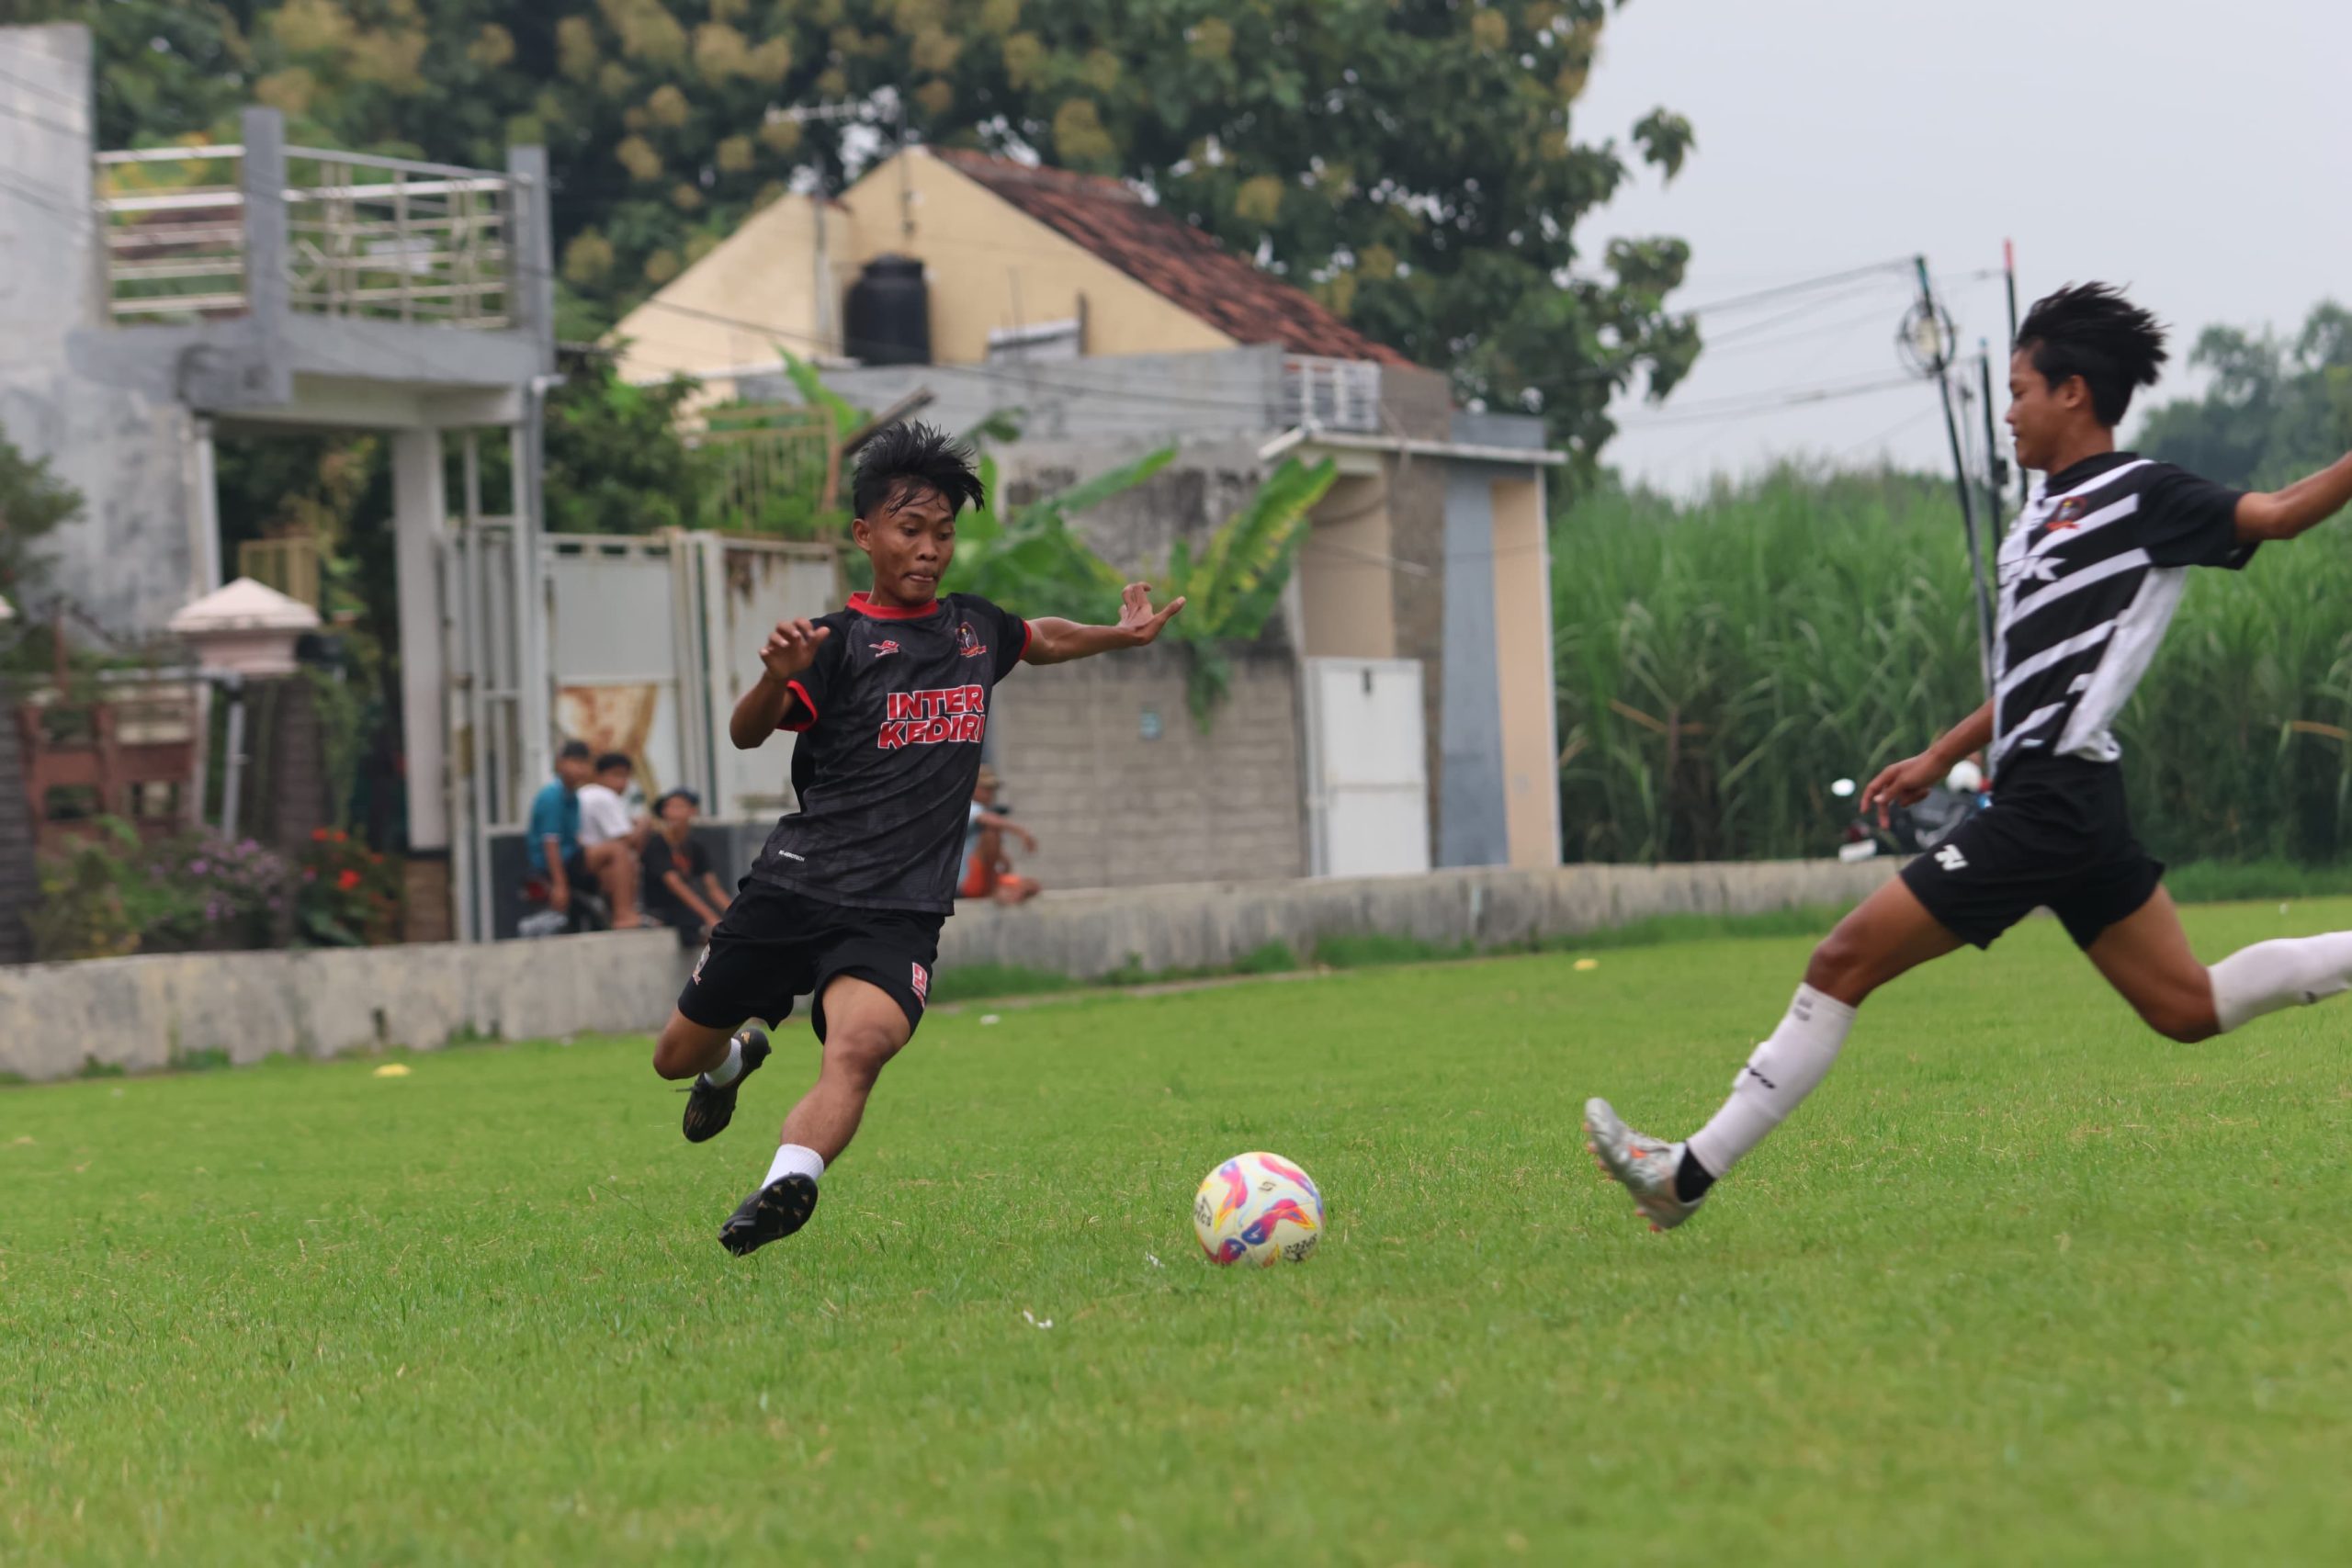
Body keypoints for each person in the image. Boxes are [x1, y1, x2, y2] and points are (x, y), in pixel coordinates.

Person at [1588, 282, 2352, 1233]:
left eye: (2021, 389)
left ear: (2073, 393)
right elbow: (2026, 678)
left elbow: (2276, 514)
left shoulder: (2143, 494)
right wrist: (1936, 753)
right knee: (2186, 1006)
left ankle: (1683, 1177)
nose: (2008, 410)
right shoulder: (2036, 518)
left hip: (2055, 801)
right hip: (2065, 798)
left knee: (1841, 960)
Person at [646, 423, 1185, 1257]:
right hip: (793, 888)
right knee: (674, 1058)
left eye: (942, 533)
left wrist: (1122, 635)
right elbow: (748, 733)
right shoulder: (837, 644)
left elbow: (1038, 637)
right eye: (910, 530)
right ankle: (730, 1063)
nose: (929, 549)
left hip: (896, 913)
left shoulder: (973, 630)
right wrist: (773, 679)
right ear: (865, 535)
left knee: (858, 1049)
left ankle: (788, 1180)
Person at [524, 741, 641, 931]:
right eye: (575, 762)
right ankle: (623, 916)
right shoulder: (552, 796)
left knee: (616, 867)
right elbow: (550, 843)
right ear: (560, 764)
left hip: (571, 857)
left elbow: (576, 836)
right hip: (554, 864)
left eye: (584, 764)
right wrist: (560, 885)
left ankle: (612, 918)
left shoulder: (574, 796)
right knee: (617, 849)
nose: (580, 769)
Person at [640, 788, 730, 937]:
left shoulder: (695, 847)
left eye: (679, 807)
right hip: (662, 909)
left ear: (692, 811)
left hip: (686, 908)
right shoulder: (657, 843)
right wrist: (709, 917)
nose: (673, 813)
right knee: (698, 924)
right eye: (669, 807)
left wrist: (737, 916)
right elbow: (675, 884)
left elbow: (713, 888)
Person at [958, 764, 1041, 904]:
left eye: (992, 789)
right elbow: (986, 819)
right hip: (965, 882)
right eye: (986, 789)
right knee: (991, 833)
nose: (990, 794)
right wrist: (1021, 831)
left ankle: (1002, 890)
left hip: (987, 879)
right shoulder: (965, 806)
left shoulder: (987, 812)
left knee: (1032, 886)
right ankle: (994, 890)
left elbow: (1002, 862)